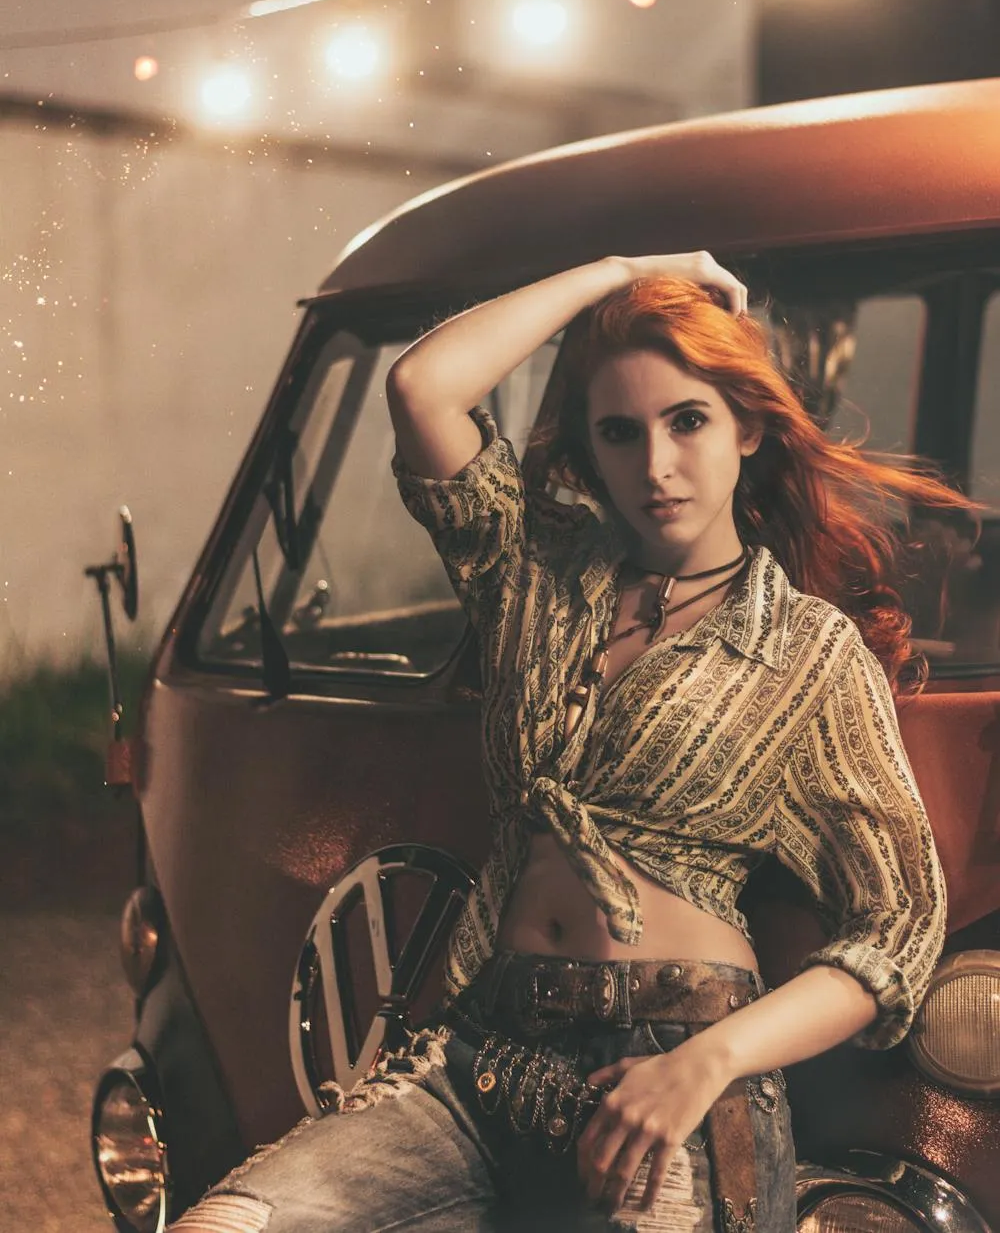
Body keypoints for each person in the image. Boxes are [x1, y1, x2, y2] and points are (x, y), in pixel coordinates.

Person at [173, 252, 960, 1233]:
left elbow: (895, 931)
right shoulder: (530, 574)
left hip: (676, 1060)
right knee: (221, 1223)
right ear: (589, 449)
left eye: (688, 421)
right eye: (619, 432)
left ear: (747, 426)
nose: (657, 466)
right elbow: (422, 387)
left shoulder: (805, 649)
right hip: (479, 1057)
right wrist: (620, 273)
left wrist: (707, 1062)